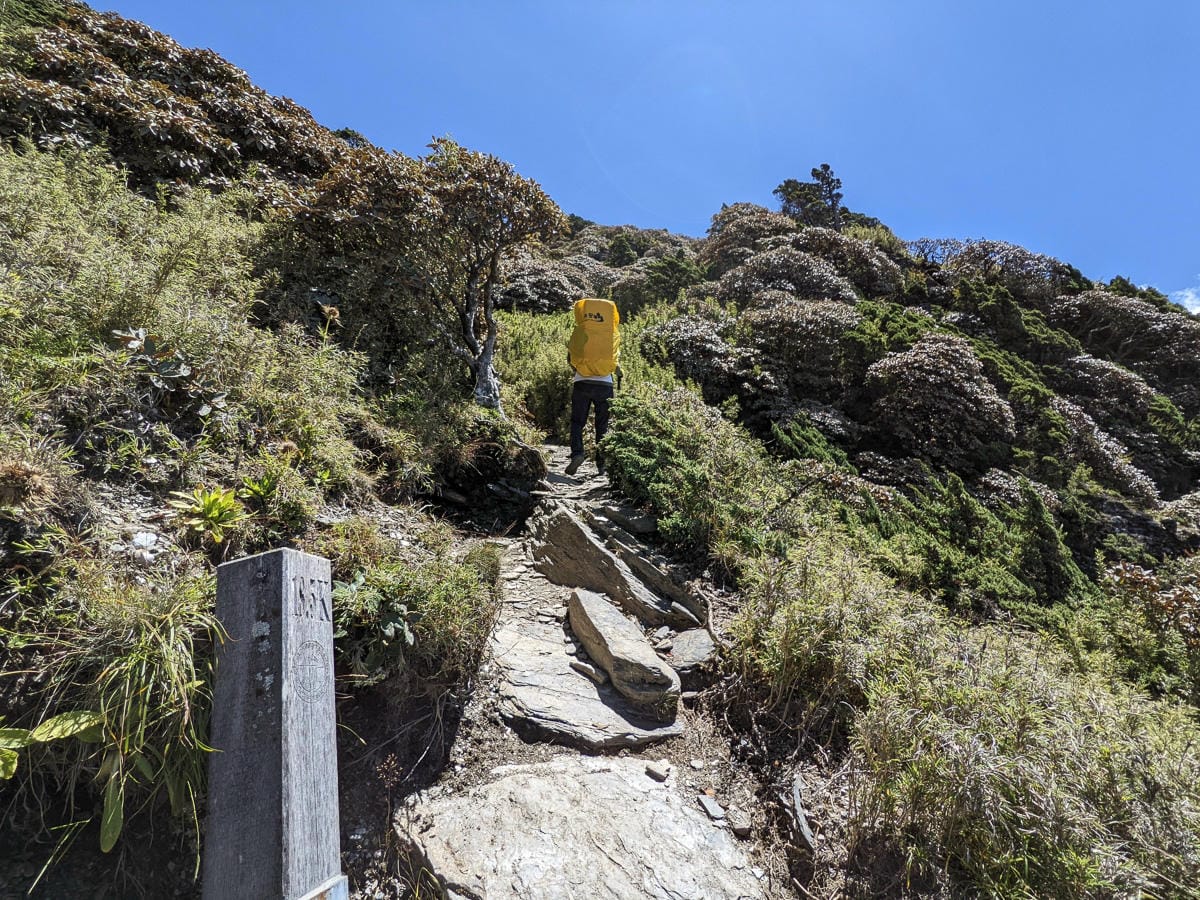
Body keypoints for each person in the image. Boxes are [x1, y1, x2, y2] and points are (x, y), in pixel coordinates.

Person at [565, 297, 620, 475]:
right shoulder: (610, 335)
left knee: (577, 422)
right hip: (605, 384)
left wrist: (582, 369)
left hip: (582, 382)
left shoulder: (580, 332)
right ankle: (601, 464)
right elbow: (615, 363)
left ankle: (578, 453)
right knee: (602, 424)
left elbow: (571, 360)